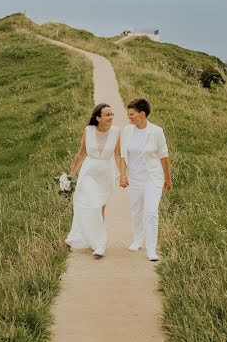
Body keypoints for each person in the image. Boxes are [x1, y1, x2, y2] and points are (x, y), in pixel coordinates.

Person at [65, 103, 123, 258]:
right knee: (91, 204)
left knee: (100, 208)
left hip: (106, 175)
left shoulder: (116, 132)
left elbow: (118, 155)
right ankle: (99, 245)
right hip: (89, 172)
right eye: (107, 115)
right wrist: (71, 175)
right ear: (98, 117)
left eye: (112, 114)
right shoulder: (88, 130)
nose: (111, 117)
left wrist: (123, 174)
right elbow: (80, 154)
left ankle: (94, 240)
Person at [118, 98, 171, 262]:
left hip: (152, 178)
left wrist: (168, 179)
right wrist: (122, 175)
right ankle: (138, 239)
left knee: (150, 212)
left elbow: (164, 157)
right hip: (134, 178)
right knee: (137, 210)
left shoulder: (156, 131)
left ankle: (151, 249)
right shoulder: (127, 131)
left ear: (142, 114)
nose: (130, 117)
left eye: (132, 114)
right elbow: (123, 155)